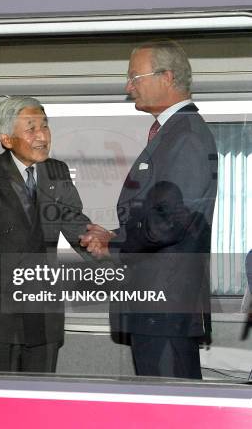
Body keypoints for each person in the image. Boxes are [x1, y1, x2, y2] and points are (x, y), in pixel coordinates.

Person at [81, 40, 218, 379]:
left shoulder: (185, 135)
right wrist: (118, 234)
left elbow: (169, 223)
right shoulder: (173, 132)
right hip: (159, 301)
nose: (129, 87)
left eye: (134, 77)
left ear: (166, 77)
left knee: (171, 409)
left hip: (166, 302)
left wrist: (114, 244)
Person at [0, 96, 92, 373]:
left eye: (45, 126)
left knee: (40, 397)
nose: (42, 136)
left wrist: (109, 251)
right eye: (31, 129)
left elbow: (75, 223)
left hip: (43, 306)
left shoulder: (58, 171)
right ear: (7, 139)